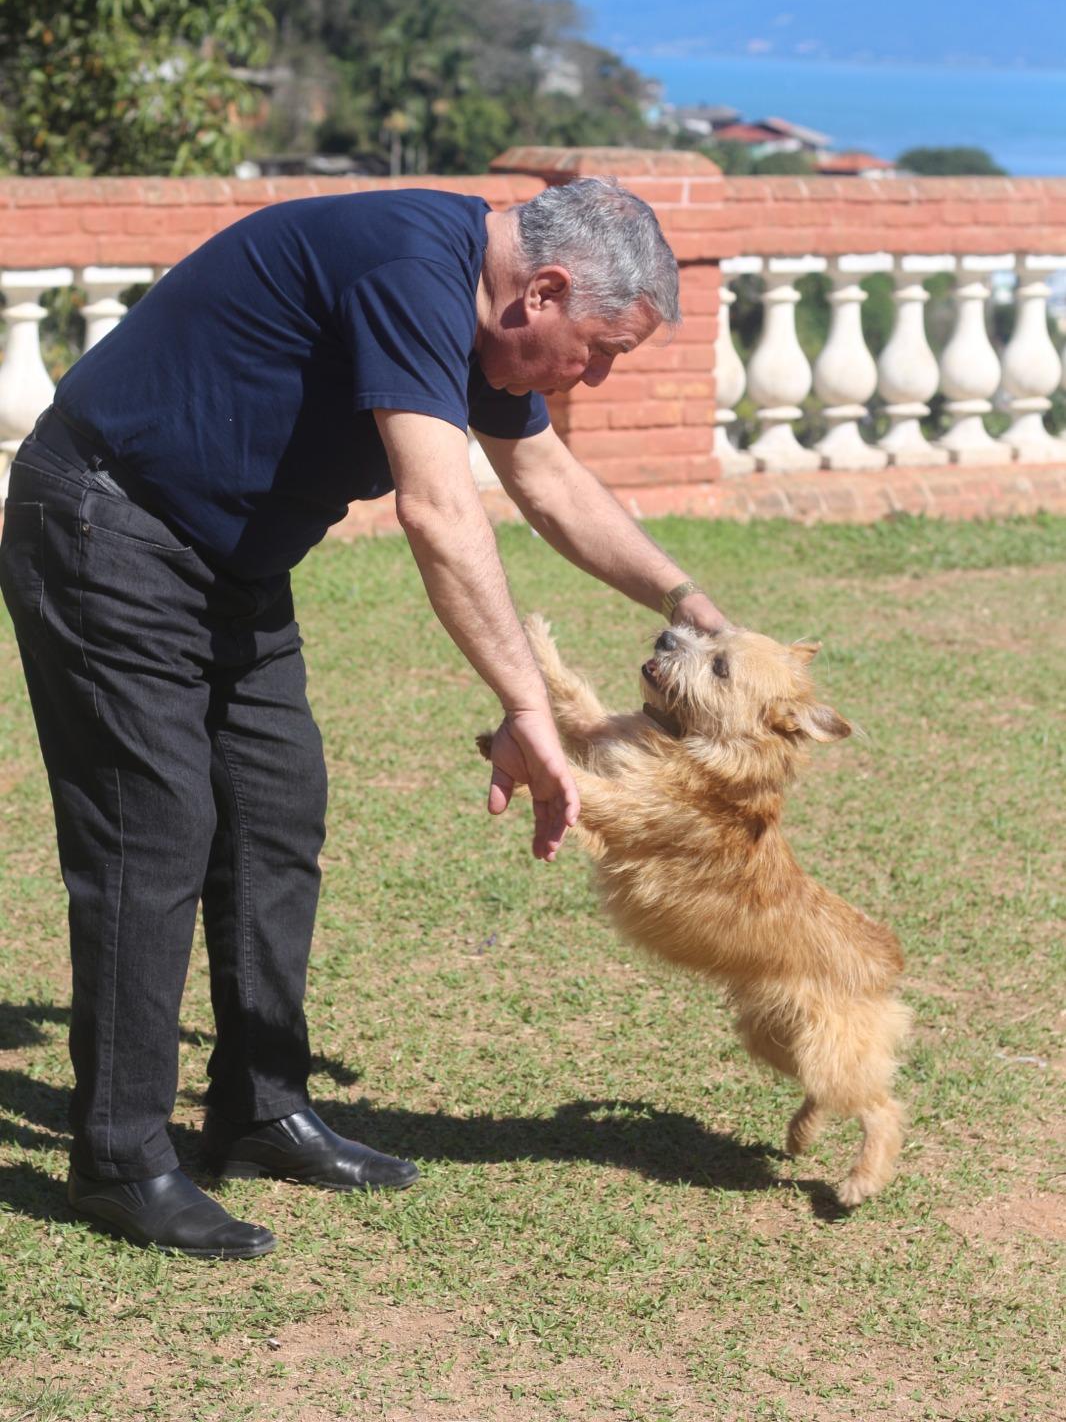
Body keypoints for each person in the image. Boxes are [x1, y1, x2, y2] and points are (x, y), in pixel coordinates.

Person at [0, 177, 726, 1260]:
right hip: (108, 527)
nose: (597, 376)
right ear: (543, 292)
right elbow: (438, 508)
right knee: (149, 833)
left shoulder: (481, 306)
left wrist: (686, 601)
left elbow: (545, 479)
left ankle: (259, 1107)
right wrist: (525, 705)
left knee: (275, 813)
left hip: (232, 564)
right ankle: (118, 1156)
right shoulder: (410, 268)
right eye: (599, 350)